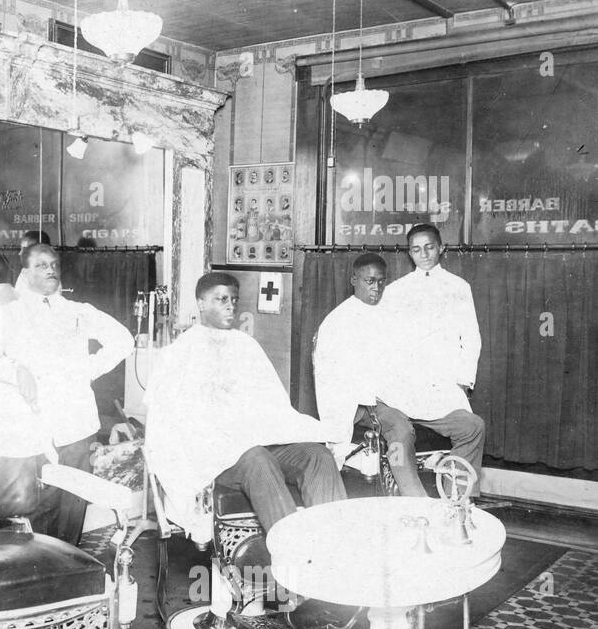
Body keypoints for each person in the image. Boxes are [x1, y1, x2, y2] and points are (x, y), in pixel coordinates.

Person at [146, 272, 346, 543]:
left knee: (317, 455)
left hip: (257, 440)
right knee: (257, 460)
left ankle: (335, 547)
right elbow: (168, 425)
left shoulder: (247, 346)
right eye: (221, 299)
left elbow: (275, 407)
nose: (231, 306)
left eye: (234, 300)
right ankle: (294, 552)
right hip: (215, 456)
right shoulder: (178, 354)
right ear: (201, 303)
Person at [0, 244, 133, 544]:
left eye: (54, 264)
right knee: (38, 505)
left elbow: (123, 340)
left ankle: (69, 571)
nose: (51, 270)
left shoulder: (77, 311)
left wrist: (88, 370)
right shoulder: (9, 314)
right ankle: (39, 575)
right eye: (41, 265)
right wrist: (17, 369)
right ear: (25, 273)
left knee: (73, 506)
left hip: (76, 422)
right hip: (34, 424)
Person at [377, 223, 486, 495]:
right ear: (409, 253)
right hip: (402, 390)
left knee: (473, 427)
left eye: (429, 247)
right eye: (416, 249)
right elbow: (385, 341)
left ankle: (456, 501)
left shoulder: (458, 287)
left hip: (441, 391)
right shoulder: (395, 290)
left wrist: (463, 382)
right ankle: (417, 502)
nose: (423, 254)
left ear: (441, 248)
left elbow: (471, 338)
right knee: (400, 434)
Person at [313, 253, 428, 496]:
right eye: (369, 281)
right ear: (354, 280)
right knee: (400, 428)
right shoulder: (337, 322)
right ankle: (416, 499)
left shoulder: (387, 314)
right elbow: (332, 378)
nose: (376, 288)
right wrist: (371, 400)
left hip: (388, 395)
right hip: (357, 403)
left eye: (381, 282)